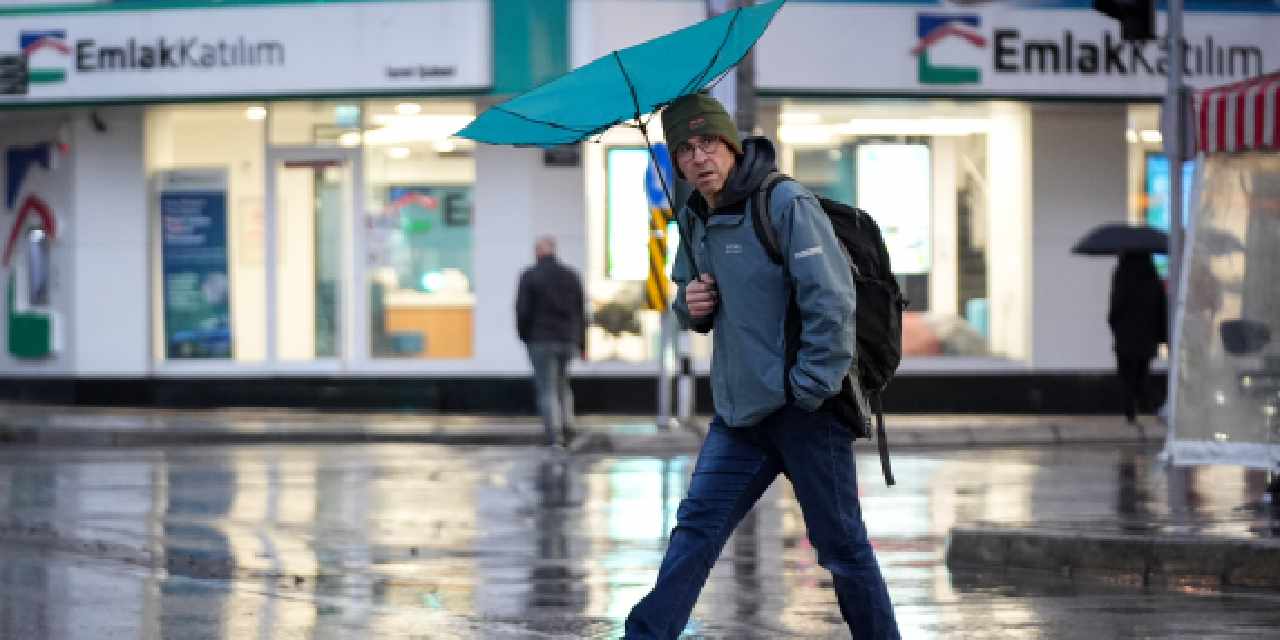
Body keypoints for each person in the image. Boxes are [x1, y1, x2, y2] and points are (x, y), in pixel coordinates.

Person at [624, 93, 900, 640]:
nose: (699, 158)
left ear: (730, 144)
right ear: (675, 161)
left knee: (842, 549)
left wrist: (809, 388)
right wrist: (692, 305)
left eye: (708, 143)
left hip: (807, 412)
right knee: (695, 532)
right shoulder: (696, 217)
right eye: (686, 149)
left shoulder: (783, 203)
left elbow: (831, 300)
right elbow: (688, 297)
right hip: (739, 413)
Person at [516, 236, 586, 447]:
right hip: (568, 339)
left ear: (538, 252)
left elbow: (523, 311)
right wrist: (581, 342)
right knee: (563, 384)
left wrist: (524, 336)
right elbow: (581, 312)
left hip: (541, 339)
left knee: (546, 387)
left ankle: (554, 434)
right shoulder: (571, 275)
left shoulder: (530, 276)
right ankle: (568, 425)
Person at [1107, 251, 1168, 424]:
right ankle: (1156, 407)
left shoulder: (1122, 276)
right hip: (1147, 337)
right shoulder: (1152, 278)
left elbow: (1116, 305)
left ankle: (1130, 412)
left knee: (1126, 376)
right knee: (1142, 377)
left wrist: (1115, 325)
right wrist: (1162, 335)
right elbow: (1161, 308)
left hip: (1125, 336)